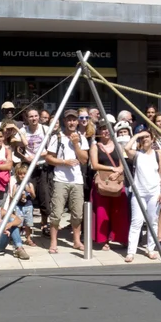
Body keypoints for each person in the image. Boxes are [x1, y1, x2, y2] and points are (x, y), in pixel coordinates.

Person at [45, 109, 90, 254]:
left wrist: (76, 144)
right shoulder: (57, 137)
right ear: (64, 121)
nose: (71, 122)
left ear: (77, 121)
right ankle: (53, 242)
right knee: (56, 213)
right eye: (69, 120)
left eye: (74, 119)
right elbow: (49, 158)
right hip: (60, 180)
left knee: (77, 214)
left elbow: (84, 159)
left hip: (77, 181)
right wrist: (64, 162)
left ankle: (76, 241)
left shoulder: (81, 138)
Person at [124, 130, 161, 262]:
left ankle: (151, 249)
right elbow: (126, 148)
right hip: (139, 192)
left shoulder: (158, 155)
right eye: (143, 137)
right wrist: (136, 136)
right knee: (136, 221)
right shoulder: (137, 155)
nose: (145, 139)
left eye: (147, 136)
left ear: (153, 139)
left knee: (152, 221)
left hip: (154, 192)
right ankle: (131, 251)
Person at [89, 120, 129, 251]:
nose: (106, 131)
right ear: (99, 132)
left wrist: (119, 171)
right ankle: (104, 239)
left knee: (120, 212)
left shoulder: (119, 145)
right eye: (103, 129)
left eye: (108, 129)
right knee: (102, 212)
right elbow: (94, 165)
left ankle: (121, 238)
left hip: (117, 181)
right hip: (102, 183)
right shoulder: (95, 146)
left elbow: (123, 162)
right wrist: (113, 169)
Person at [18, 107, 51, 235]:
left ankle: (44, 224)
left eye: (36, 116)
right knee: (26, 195)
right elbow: (18, 148)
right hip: (28, 167)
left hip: (42, 167)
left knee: (44, 196)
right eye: (31, 116)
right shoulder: (23, 131)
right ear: (27, 118)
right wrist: (25, 157)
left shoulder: (45, 129)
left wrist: (40, 155)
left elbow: (52, 148)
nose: (33, 119)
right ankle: (25, 225)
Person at [11, 163, 37, 247]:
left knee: (28, 223)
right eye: (20, 174)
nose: (22, 176)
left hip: (28, 206)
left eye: (24, 174)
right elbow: (13, 196)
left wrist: (30, 191)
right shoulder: (16, 185)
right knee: (18, 223)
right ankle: (17, 239)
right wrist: (18, 194)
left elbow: (34, 196)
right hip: (19, 207)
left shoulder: (30, 184)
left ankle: (28, 238)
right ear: (17, 175)